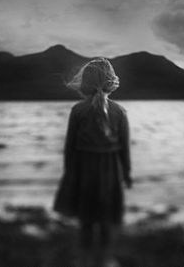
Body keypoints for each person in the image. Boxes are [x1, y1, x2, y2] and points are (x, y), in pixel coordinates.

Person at [53, 57, 132, 267]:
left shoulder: (77, 111)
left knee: (86, 219)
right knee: (106, 218)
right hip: (110, 172)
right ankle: (105, 259)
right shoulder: (119, 112)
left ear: (85, 83)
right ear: (110, 82)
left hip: (84, 171)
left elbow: (69, 147)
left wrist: (69, 173)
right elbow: (124, 147)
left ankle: (86, 260)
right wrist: (127, 173)